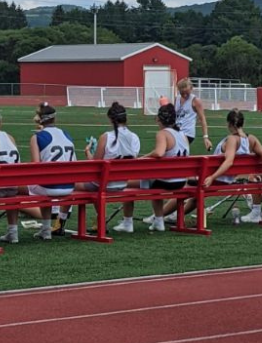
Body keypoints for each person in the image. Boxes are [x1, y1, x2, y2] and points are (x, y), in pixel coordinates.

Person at [0, 109, 41, 244]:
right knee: (10, 197)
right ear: (0, 122)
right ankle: (13, 232)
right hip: (12, 187)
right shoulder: (11, 138)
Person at [76, 103, 141, 233]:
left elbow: (95, 166)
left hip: (105, 184)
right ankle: (125, 221)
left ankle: (59, 220)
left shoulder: (106, 137)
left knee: (74, 182)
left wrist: (88, 153)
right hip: (123, 182)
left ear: (111, 119)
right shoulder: (134, 137)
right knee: (97, 183)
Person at [129, 104, 190, 232]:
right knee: (153, 180)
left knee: (128, 183)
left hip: (168, 181)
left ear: (159, 119)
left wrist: (143, 158)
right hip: (181, 180)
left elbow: (159, 153)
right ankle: (158, 220)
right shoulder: (183, 135)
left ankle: (129, 221)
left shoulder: (163, 134)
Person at [29, 102, 77, 240]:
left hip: (49, 186)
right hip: (68, 187)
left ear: (39, 119)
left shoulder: (37, 137)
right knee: (47, 183)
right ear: (54, 119)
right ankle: (60, 221)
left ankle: (45, 229)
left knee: (28, 187)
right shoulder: (67, 135)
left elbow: (36, 165)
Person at [173, 79, 213, 152]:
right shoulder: (177, 99)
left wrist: (205, 137)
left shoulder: (195, 101)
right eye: (182, 93)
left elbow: (202, 118)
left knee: (178, 152)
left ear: (191, 89)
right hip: (176, 131)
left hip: (187, 133)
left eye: (187, 93)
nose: (184, 95)